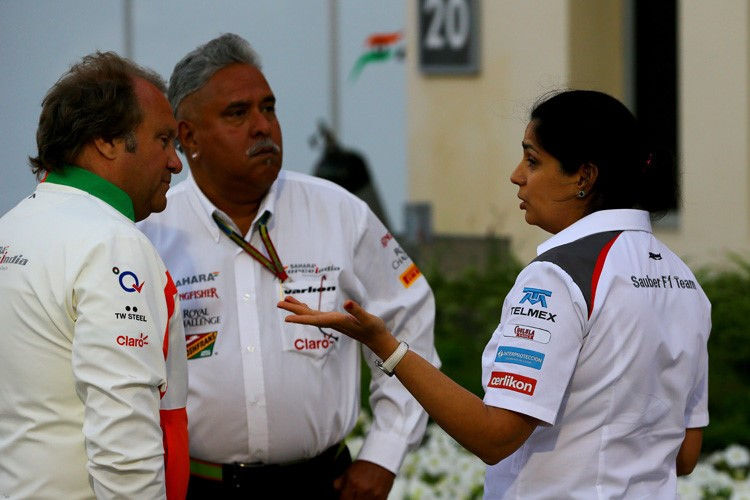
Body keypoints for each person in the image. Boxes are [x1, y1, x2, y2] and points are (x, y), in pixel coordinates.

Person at [279, 90, 711, 499]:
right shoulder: (685, 282)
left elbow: (494, 436)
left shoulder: (557, 277)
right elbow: (685, 454)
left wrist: (385, 346)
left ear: (584, 176)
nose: (516, 175)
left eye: (532, 160)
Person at [138, 33, 439, 499]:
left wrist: (385, 451)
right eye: (238, 113)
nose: (263, 126)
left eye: (269, 108)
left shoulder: (339, 212)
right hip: (196, 487)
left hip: (323, 485)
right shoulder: (151, 233)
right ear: (188, 137)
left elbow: (409, 321)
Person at [0, 52, 188, 499]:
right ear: (105, 140)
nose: (176, 164)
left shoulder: (11, 228)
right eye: (164, 140)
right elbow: (124, 448)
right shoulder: (111, 242)